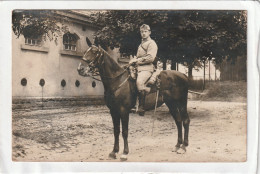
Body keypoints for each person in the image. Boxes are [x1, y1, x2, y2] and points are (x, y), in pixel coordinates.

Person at [129, 24, 158, 116]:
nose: (143, 33)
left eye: (145, 31)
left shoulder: (152, 43)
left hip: (147, 68)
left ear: (149, 32)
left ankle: (141, 107)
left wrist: (136, 60)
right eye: (142, 32)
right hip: (138, 68)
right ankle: (132, 103)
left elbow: (150, 58)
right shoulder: (141, 44)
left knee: (139, 82)